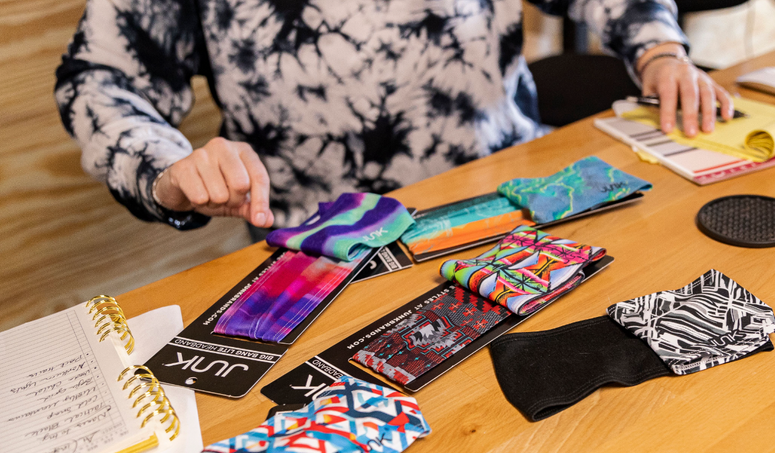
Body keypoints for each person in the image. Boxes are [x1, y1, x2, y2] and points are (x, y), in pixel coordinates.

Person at [56, 0, 732, 235]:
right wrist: (167, 169)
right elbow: (101, 79)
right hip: (326, 245)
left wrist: (660, 50)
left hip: (525, 202)